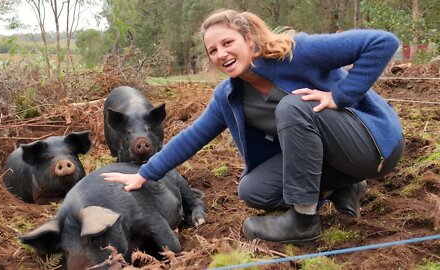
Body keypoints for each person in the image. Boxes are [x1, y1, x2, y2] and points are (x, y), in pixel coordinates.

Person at [102, 9, 404, 245]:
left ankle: (303, 220)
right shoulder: (229, 95)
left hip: (373, 145)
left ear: (248, 39)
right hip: (335, 160)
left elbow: (382, 43)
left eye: (227, 42)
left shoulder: (295, 52)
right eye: (213, 50)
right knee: (253, 189)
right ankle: (344, 186)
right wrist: (145, 173)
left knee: (293, 106)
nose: (221, 54)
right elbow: (193, 136)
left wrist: (340, 95)